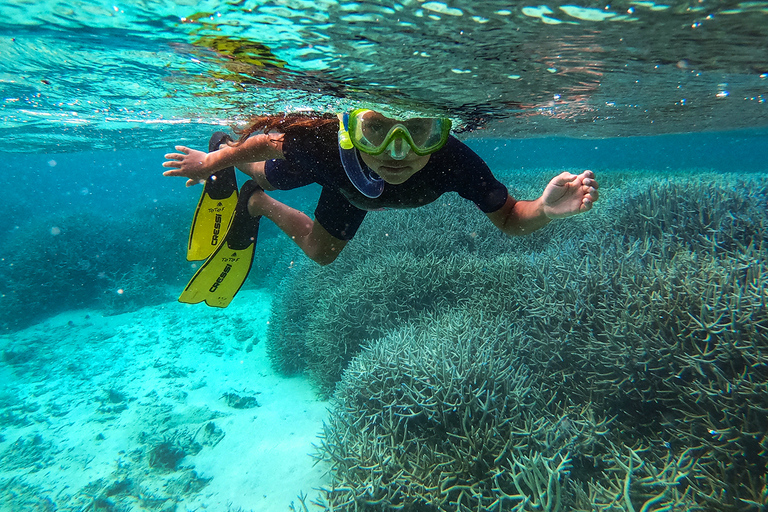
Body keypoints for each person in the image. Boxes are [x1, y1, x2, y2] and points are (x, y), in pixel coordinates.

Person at [162, 110, 599, 307]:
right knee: (266, 170)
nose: (397, 151)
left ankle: (254, 205)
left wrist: (542, 209)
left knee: (321, 253)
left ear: (441, 134)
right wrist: (211, 162)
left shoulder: (456, 162)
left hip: (349, 193)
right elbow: (266, 140)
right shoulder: (323, 142)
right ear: (351, 129)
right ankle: (225, 147)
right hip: (336, 174)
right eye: (377, 129)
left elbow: (509, 218)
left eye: (419, 132)